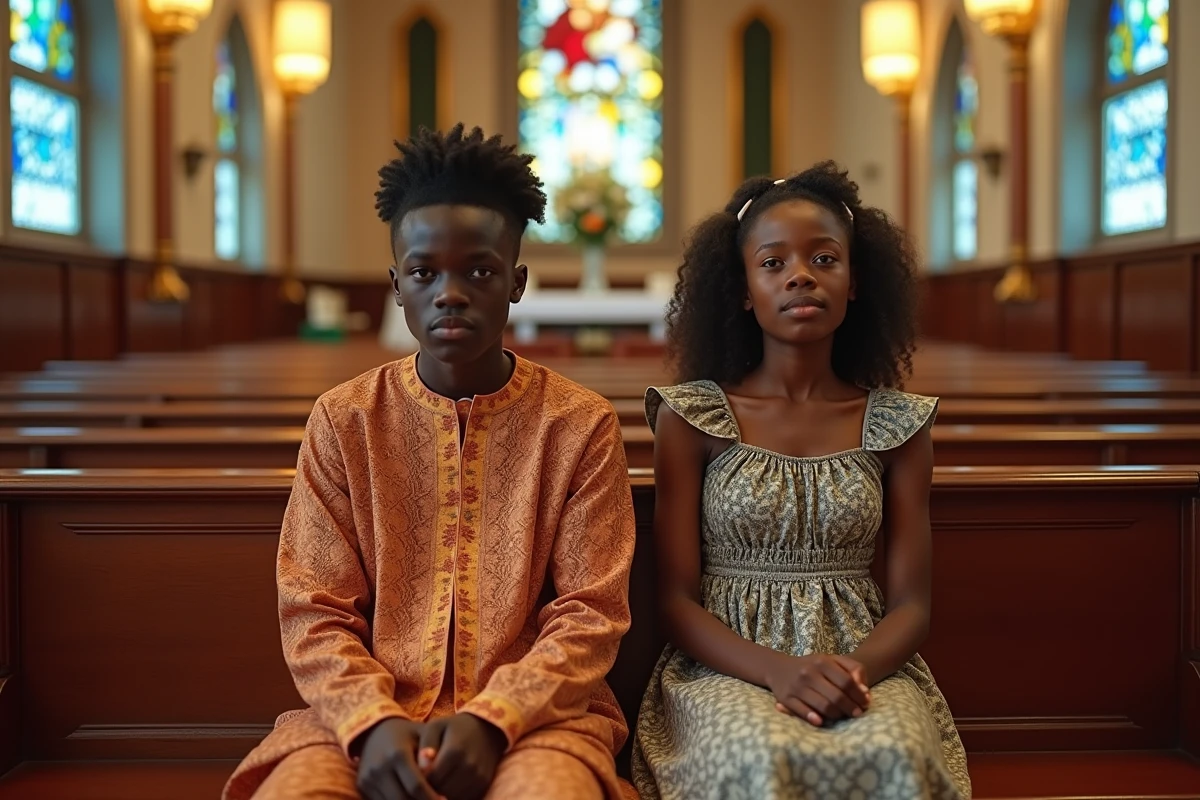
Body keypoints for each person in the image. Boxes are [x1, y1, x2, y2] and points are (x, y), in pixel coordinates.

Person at [223, 125, 637, 800]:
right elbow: (314, 609)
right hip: (360, 720)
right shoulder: (344, 420)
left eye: (479, 270)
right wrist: (372, 723)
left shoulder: (579, 425)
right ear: (396, 285)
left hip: (539, 720)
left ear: (517, 282)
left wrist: (495, 721)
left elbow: (591, 612)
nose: (450, 292)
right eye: (424, 273)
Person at [631, 163, 971, 799]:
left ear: (855, 281)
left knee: (894, 754)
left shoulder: (897, 425)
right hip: (725, 665)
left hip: (867, 663)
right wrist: (780, 672)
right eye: (773, 262)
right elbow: (675, 601)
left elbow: (912, 606)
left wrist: (849, 671)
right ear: (742, 288)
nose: (800, 275)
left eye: (824, 258)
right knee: (761, 756)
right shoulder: (692, 418)